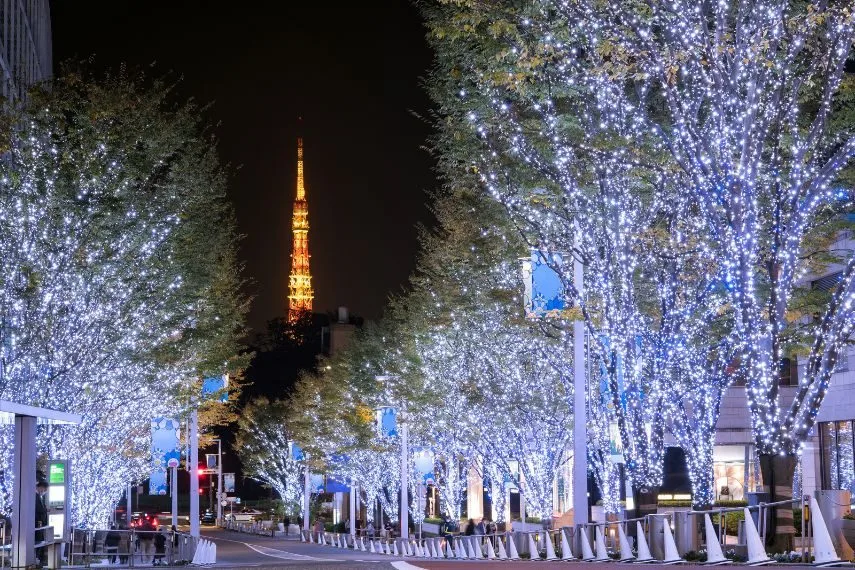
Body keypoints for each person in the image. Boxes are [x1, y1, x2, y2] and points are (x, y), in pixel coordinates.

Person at [35, 480, 48, 565]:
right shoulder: (35, 496)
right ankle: (37, 559)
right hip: (36, 523)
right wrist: (46, 509)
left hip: (40, 524)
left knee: (40, 541)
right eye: (43, 489)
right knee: (38, 541)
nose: (43, 491)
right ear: (39, 487)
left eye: (44, 490)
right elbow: (39, 509)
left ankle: (38, 560)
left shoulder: (40, 497)